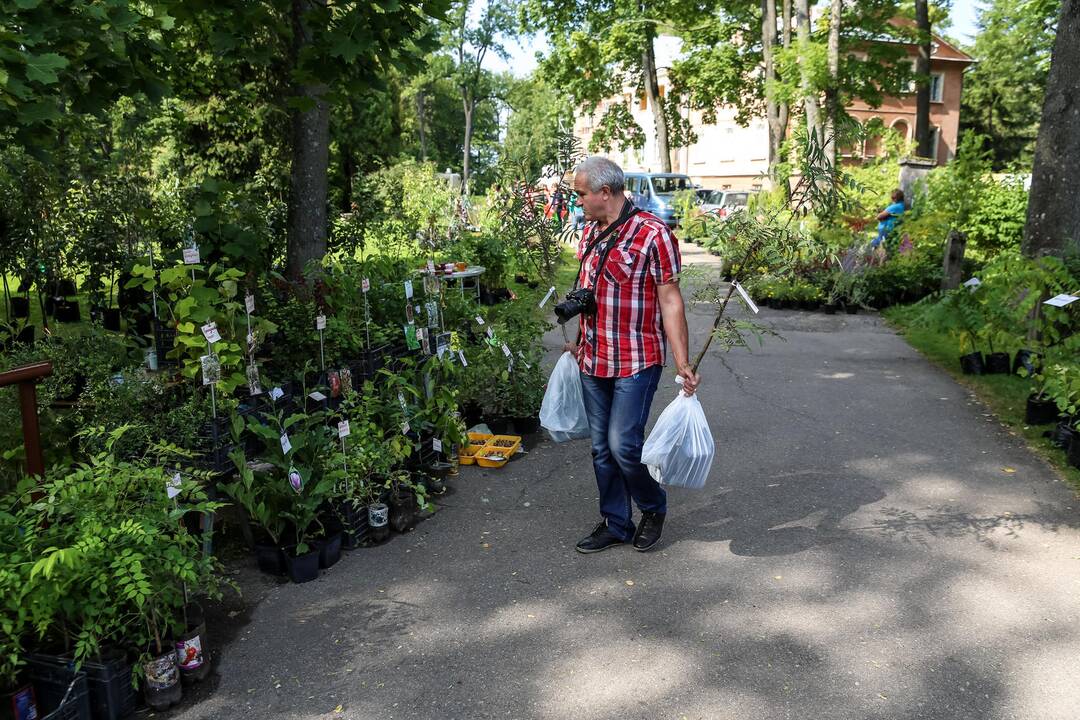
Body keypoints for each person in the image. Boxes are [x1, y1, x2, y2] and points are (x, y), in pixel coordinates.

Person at [565, 156, 700, 554]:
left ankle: (653, 507)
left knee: (624, 444)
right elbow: (589, 294)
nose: (578, 202)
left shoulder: (653, 234)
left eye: (581, 194)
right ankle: (616, 523)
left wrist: (683, 361)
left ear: (605, 192)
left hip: (636, 359)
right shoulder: (590, 232)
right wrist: (576, 337)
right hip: (593, 357)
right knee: (600, 448)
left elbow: (670, 300)